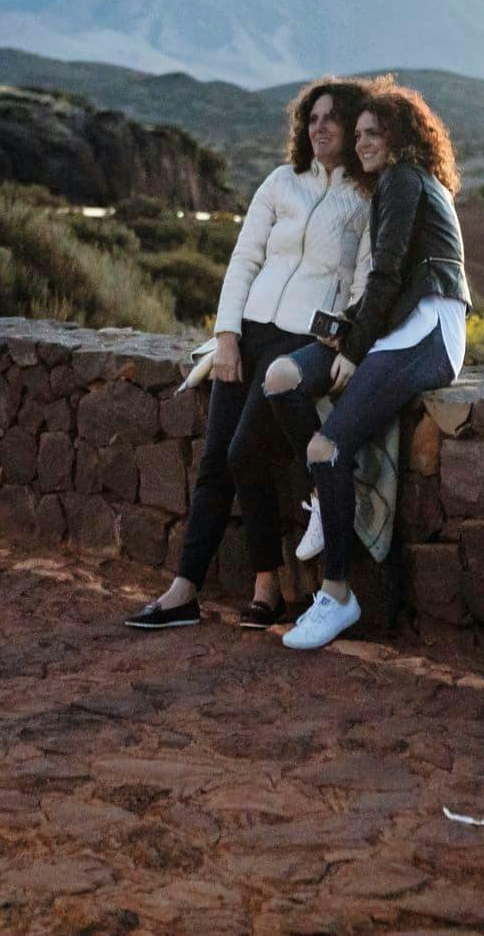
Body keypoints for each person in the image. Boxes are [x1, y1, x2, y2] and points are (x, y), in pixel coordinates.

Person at [125, 78, 374, 631]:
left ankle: (268, 583)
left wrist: (345, 338)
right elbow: (243, 261)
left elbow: (364, 281)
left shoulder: (365, 197)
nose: (321, 126)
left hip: (303, 341)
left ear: (353, 126)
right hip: (250, 332)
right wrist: (227, 334)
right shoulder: (281, 183)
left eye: (333, 118)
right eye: (313, 117)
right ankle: (184, 589)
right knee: (217, 462)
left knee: (243, 455)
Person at [265, 81, 470, 651]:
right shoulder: (400, 183)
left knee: (327, 447)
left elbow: (388, 274)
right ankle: (326, 498)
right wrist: (344, 335)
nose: (362, 144)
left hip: (427, 332)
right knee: (283, 378)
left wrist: (352, 352)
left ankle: (336, 595)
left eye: (373, 133)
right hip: (397, 326)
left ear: (402, 137)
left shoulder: (405, 179)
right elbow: (383, 286)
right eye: (359, 136)